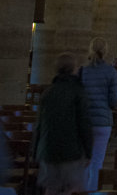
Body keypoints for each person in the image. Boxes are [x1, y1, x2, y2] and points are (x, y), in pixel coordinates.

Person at [34, 53, 93, 195]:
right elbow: (84, 124)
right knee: (72, 188)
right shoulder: (77, 91)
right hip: (70, 150)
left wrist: (36, 150)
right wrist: (88, 151)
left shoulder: (48, 92)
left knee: (51, 187)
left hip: (48, 150)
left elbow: (40, 125)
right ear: (73, 69)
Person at [79, 37, 117, 191]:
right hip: (102, 122)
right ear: (106, 51)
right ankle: (92, 190)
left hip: (85, 121)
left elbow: (79, 97)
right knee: (97, 162)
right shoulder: (111, 71)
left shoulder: (83, 71)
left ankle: (80, 191)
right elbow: (113, 101)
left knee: (83, 160)